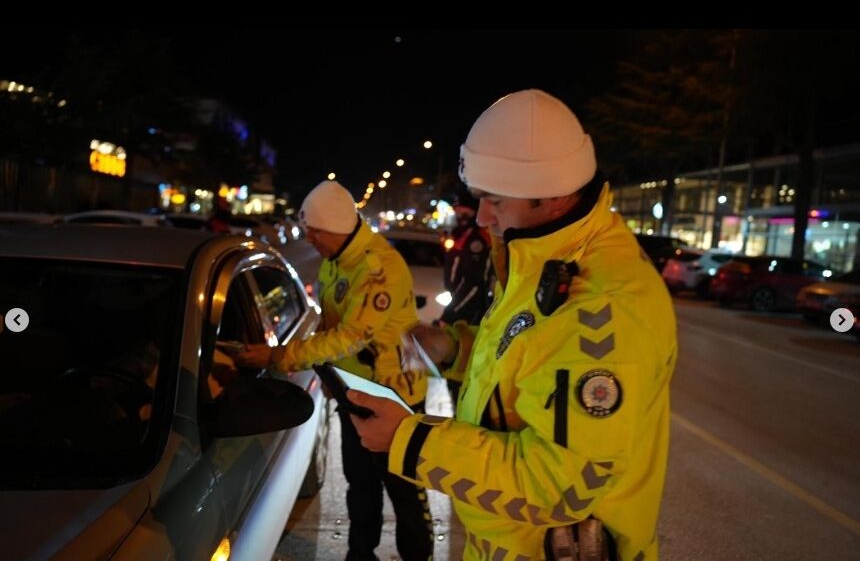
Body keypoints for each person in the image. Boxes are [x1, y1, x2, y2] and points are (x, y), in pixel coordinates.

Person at [349, 89, 678, 561]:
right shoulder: (544, 253)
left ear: (554, 194)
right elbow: (528, 358)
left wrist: (409, 439)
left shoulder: (602, 309)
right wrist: (453, 349)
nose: (482, 217)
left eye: (494, 200)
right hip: (508, 539)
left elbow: (559, 485)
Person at [234, 180, 433, 561]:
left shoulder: (378, 269)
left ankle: (417, 557)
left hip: (395, 395)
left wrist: (280, 356)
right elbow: (328, 325)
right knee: (360, 482)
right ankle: (361, 554)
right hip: (355, 391)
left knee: (405, 488)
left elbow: (350, 337)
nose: (308, 238)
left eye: (314, 231)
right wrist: (330, 375)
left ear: (336, 228)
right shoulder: (334, 261)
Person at [439, 185, 493, 327]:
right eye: (457, 209)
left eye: (464, 210)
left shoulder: (476, 241)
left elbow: (473, 284)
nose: (459, 213)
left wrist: (450, 314)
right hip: (459, 303)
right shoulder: (462, 235)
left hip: (469, 313)